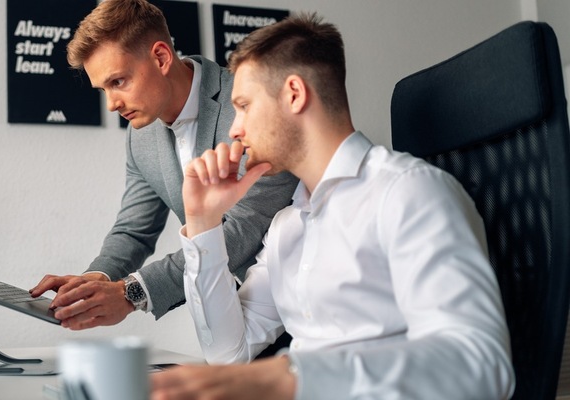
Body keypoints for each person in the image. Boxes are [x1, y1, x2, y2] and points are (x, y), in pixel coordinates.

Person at [151, 12, 514, 400]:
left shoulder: (407, 192)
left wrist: (290, 376)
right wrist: (203, 221)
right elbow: (228, 354)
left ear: (294, 94)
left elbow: (481, 365)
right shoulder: (288, 226)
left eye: (244, 106)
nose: (234, 129)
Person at [29, 0, 298, 333]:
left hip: (306, 302)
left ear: (160, 57)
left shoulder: (249, 103)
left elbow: (246, 226)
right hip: (236, 318)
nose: (111, 104)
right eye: (103, 89)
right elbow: (134, 229)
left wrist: (132, 293)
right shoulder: (139, 137)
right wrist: (95, 280)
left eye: (118, 82)